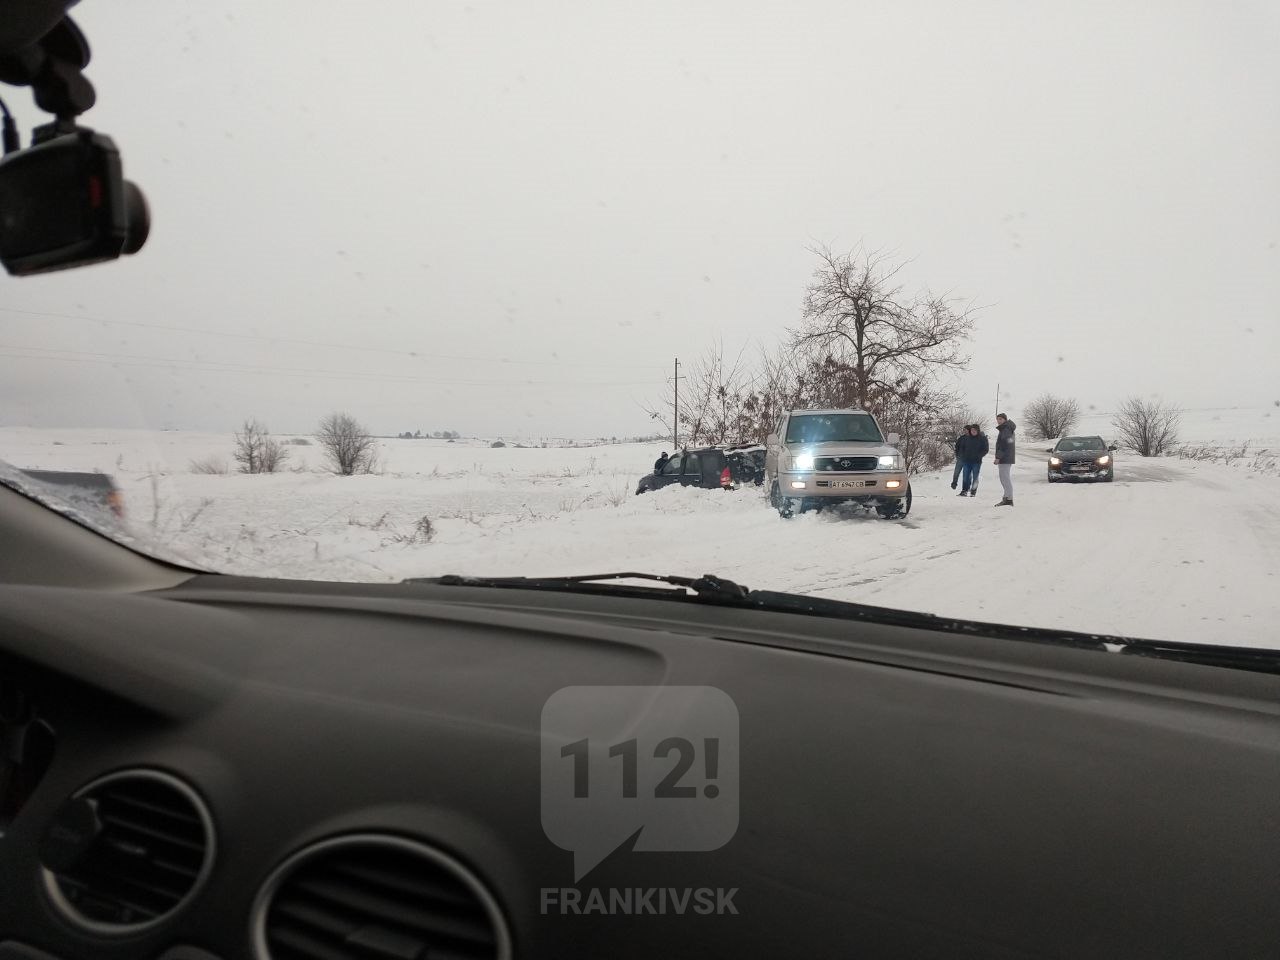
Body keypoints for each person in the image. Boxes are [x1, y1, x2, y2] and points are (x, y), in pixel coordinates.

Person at [955, 424, 989, 497]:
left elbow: (985, 449)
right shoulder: (967, 438)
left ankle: (973, 492)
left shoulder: (982, 438)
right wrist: (962, 456)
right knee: (965, 476)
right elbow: (962, 448)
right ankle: (964, 491)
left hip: (976, 462)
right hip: (966, 460)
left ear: (978, 430)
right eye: (972, 430)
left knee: (975, 477)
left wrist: (979, 456)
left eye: (975, 430)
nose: (973, 431)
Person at [993, 413, 1016, 506]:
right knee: (1004, 478)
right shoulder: (1006, 429)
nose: (998, 421)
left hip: (1005, 458)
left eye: (1000, 419)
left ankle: (1009, 499)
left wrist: (998, 457)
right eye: (997, 419)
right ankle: (1007, 497)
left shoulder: (1006, 429)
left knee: (1005, 479)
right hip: (1006, 457)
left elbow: (1004, 445)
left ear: (1005, 420)